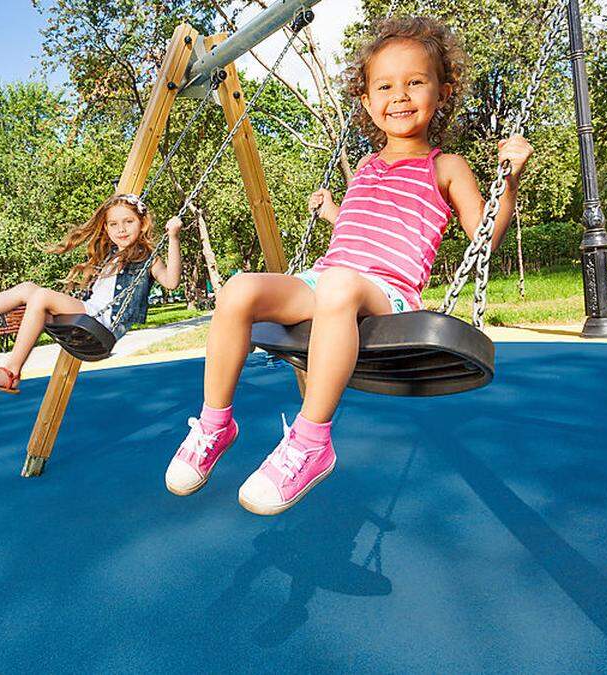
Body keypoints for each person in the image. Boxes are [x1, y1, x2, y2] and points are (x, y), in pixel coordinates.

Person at [165, 16, 534, 515]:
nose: (399, 96)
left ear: (442, 92)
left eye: (415, 82)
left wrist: (508, 182)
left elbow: (484, 236)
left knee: (338, 284)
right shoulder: (363, 167)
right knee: (239, 289)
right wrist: (334, 213)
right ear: (365, 100)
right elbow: (359, 234)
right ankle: (215, 423)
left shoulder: (447, 167)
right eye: (385, 86)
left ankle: (312, 442)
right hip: (332, 279)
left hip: (390, 295)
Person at [0, 193, 183, 393]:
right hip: (88, 316)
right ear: (106, 228)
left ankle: (11, 371)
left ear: (142, 223)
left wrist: (173, 237)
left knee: (40, 296)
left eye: (128, 222)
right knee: (28, 289)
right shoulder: (110, 254)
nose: (121, 229)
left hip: (102, 327)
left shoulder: (148, 258)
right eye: (113, 224)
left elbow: (171, 282)